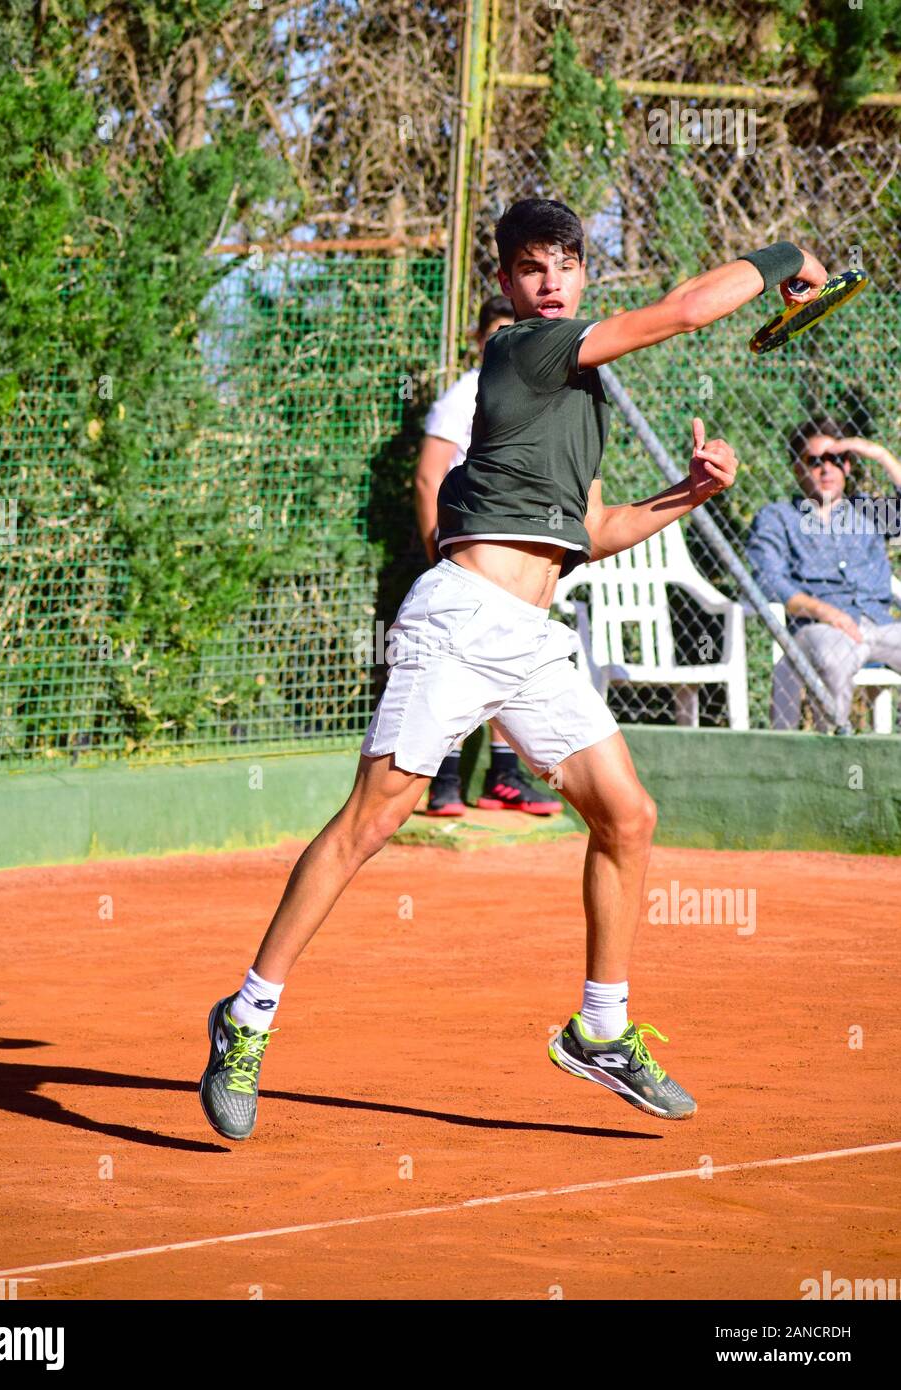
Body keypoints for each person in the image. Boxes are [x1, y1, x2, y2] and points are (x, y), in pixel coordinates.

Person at [201, 197, 826, 1141]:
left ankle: (602, 1029)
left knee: (628, 815)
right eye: (532, 267)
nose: (551, 282)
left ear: (583, 272)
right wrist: (787, 256)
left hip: (533, 639)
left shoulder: (582, 400)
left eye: (566, 266)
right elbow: (689, 311)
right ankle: (245, 1017)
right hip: (459, 621)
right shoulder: (527, 349)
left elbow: (595, 532)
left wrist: (689, 493)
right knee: (374, 820)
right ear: (506, 283)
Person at [414, 294, 563, 816]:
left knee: (509, 664)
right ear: (478, 339)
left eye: (512, 329)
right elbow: (430, 473)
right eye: (494, 331)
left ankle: (503, 777)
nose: (503, 339)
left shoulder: (526, 392)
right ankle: (444, 782)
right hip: (463, 558)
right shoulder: (462, 396)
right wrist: (438, 548)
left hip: (512, 560)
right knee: (451, 670)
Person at [746, 418, 901, 731]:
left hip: (879, 622)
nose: (826, 469)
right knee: (834, 659)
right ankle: (833, 753)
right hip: (817, 627)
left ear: (848, 466)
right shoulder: (778, 518)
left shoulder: (867, 511)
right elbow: (769, 580)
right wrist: (824, 611)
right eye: (815, 461)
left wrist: (880, 455)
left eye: (836, 459)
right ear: (797, 468)